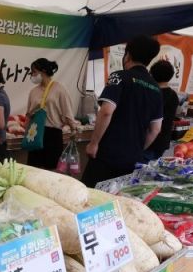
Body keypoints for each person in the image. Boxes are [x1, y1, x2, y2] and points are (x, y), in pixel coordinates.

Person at [82, 35, 163, 187]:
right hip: (132, 158)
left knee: (91, 194)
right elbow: (155, 129)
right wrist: (136, 149)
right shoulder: (156, 89)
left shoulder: (119, 76)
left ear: (128, 55)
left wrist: (94, 143)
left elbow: (106, 111)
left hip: (107, 154)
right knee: (118, 196)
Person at [24, 58, 78, 170]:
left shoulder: (59, 89)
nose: (32, 75)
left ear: (43, 71)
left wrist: (73, 128)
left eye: (34, 71)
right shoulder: (33, 91)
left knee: (51, 171)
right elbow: (28, 114)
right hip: (35, 132)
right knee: (34, 169)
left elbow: (67, 112)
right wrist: (26, 133)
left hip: (52, 134)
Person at [147, 60, 179, 160]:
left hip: (149, 140)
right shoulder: (174, 95)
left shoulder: (152, 94)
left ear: (152, 74)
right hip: (163, 140)